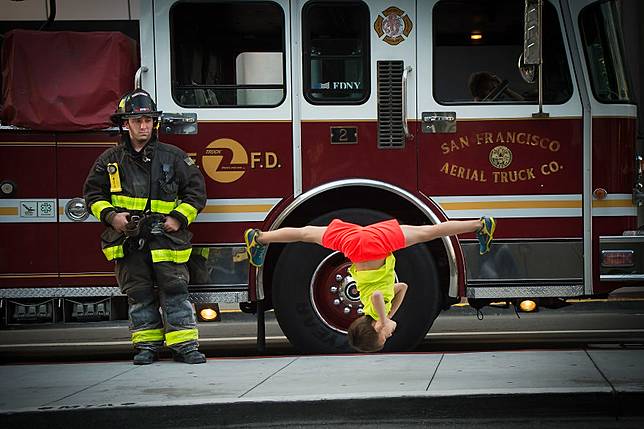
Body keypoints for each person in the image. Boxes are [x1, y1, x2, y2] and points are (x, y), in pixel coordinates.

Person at [244, 216, 496, 353]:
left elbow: (377, 294)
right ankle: (260, 238)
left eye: (385, 336)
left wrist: (385, 317)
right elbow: (403, 287)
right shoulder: (375, 309)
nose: (390, 333)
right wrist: (391, 312)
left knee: (430, 232)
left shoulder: (376, 309)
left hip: (372, 247)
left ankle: (479, 225)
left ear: (377, 327)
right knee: (305, 233)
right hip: (356, 243)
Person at [84, 89, 207, 365]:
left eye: (149, 121)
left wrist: (178, 218)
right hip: (128, 241)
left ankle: (185, 345)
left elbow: (196, 193)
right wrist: (113, 218)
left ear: (155, 123)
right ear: (124, 124)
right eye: (137, 121)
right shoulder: (109, 161)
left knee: (175, 291)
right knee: (138, 294)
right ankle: (146, 346)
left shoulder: (173, 157)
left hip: (166, 240)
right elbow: (92, 196)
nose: (143, 126)